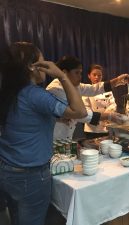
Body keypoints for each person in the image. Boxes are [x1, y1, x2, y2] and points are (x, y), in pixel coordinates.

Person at [0, 42, 87, 225]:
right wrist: (62, 75)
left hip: (6, 170)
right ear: (33, 66)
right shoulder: (35, 94)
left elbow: (25, 121)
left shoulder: (9, 92)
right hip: (30, 176)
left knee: (16, 219)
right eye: (42, 60)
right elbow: (80, 112)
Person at [46, 56, 129, 140]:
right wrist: (109, 116)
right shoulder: (56, 89)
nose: (80, 77)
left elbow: (94, 88)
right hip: (55, 136)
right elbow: (79, 114)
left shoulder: (74, 85)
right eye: (76, 73)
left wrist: (118, 80)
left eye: (80, 73)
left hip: (67, 136)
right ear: (64, 73)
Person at [83, 64, 116, 139]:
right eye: (94, 75)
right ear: (89, 76)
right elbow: (86, 109)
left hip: (106, 127)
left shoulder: (108, 91)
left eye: (99, 75)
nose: (97, 77)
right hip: (92, 129)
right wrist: (100, 118)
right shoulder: (86, 91)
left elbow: (113, 105)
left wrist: (107, 115)